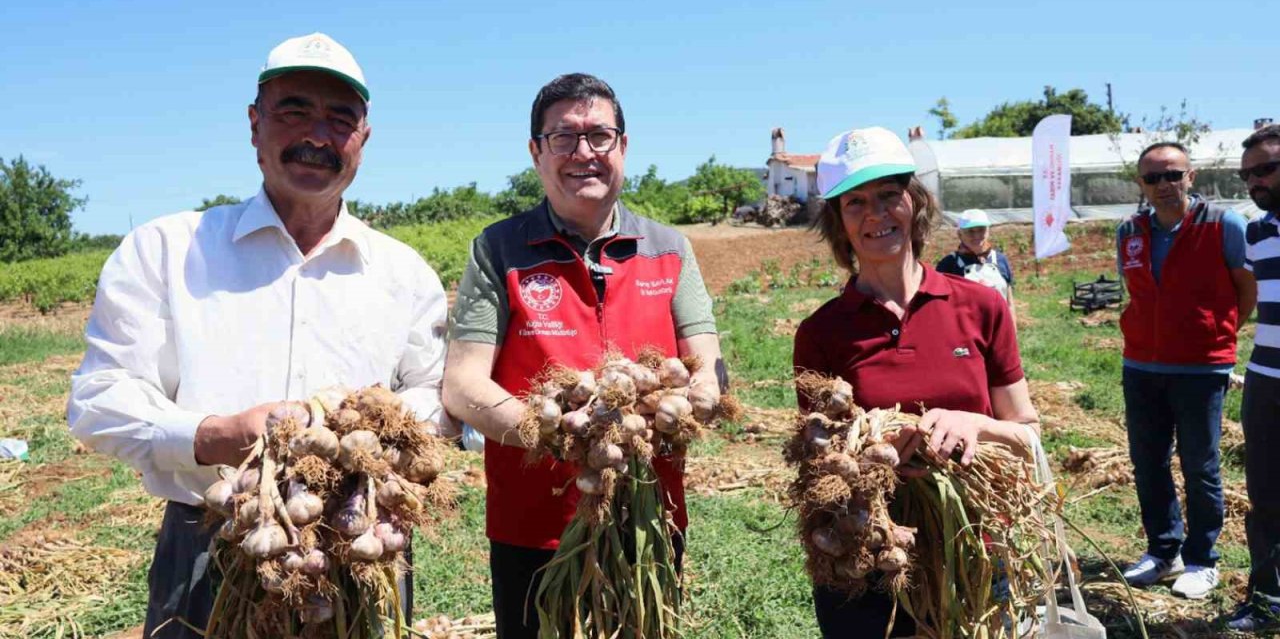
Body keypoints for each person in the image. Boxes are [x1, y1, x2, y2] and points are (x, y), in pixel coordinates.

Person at [65, 33, 450, 638]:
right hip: (208, 543)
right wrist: (213, 435)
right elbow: (97, 399)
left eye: (339, 119)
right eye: (294, 110)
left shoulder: (404, 273)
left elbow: (434, 393)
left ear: (363, 140)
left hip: (360, 541)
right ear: (254, 124)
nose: (317, 136)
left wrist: (379, 430)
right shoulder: (165, 249)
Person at [441, 73, 725, 639]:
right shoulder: (498, 248)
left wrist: (686, 408)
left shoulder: (669, 249)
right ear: (535, 153)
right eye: (563, 138)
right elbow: (463, 385)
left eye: (599, 136)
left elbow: (706, 371)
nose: (583, 154)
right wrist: (550, 432)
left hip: (648, 517)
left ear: (623, 147)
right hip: (534, 525)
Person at [792, 126, 1040, 637]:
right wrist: (871, 453)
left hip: (973, 542)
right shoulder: (821, 334)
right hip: (871, 557)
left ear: (915, 202)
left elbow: (1028, 435)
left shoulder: (981, 306)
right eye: (855, 202)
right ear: (839, 223)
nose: (876, 214)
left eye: (889, 195)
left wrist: (973, 423)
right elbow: (817, 462)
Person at [1114, 142, 1254, 600]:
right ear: (1142, 184)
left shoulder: (1224, 225)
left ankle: (1202, 559)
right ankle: (1163, 550)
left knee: (1200, 465)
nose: (1164, 186)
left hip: (1200, 367)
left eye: (1172, 175)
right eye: (1153, 178)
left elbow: (1244, 291)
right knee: (1148, 461)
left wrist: (1215, 331)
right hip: (1141, 364)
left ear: (1190, 176)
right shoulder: (1129, 231)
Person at [1227, 124, 1280, 632]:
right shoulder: (1257, 232)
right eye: (1247, 174)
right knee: (1265, 496)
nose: (1254, 182)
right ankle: (1267, 600)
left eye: (1265, 169)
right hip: (1266, 379)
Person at [935, 208, 1016, 318]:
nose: (976, 235)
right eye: (970, 231)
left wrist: (1012, 333)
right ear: (960, 234)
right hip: (966, 332)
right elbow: (940, 306)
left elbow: (1009, 303)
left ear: (988, 231)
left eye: (981, 230)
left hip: (998, 328)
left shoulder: (1001, 260)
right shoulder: (948, 264)